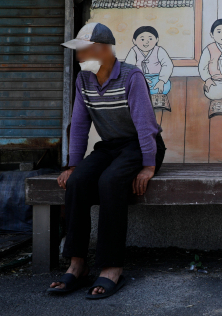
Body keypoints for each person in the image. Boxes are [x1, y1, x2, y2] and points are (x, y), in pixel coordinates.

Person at [47, 22, 165, 299]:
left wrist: (149, 166)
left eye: (82, 50)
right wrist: (73, 165)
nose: (78, 56)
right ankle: (77, 264)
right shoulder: (84, 80)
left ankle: (111, 268)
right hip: (111, 146)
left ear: (101, 49)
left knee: (110, 182)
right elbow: (78, 126)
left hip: (141, 145)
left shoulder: (130, 76)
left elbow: (145, 126)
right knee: (77, 182)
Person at [125, 26, 174, 96]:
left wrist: (161, 81)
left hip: (157, 77)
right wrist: (140, 79)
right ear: (134, 41)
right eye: (142, 39)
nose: (146, 42)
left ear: (157, 40)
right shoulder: (133, 51)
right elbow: (129, 67)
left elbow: (167, 65)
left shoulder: (159, 50)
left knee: (165, 87)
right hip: (139, 77)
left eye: (150, 39)